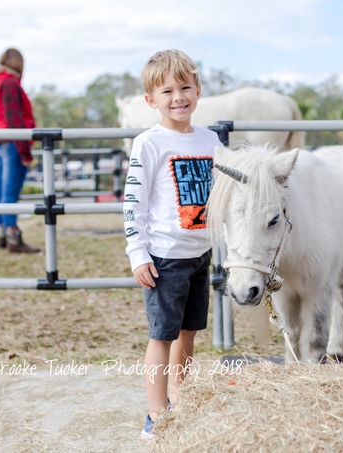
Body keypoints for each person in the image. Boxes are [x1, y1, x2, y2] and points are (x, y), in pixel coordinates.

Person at [123, 49, 222, 440]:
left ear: (198, 91)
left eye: (185, 87)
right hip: (165, 258)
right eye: (167, 91)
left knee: (189, 333)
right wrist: (137, 254)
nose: (178, 97)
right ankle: (155, 413)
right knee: (162, 335)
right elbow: (134, 202)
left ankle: (180, 402)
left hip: (201, 253)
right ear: (151, 100)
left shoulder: (210, 140)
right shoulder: (148, 143)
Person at [0, 48, 40, 254]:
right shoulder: (10, 83)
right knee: (9, 193)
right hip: (10, 140)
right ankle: (14, 237)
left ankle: (2, 233)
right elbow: (14, 119)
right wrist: (25, 152)